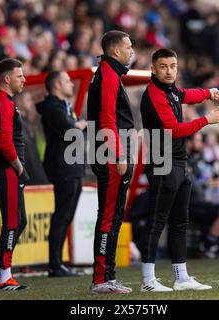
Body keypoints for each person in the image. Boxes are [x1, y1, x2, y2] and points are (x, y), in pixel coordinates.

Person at [140, 48, 219, 292]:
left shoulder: (172, 91)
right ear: (153, 69)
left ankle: (181, 277)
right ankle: (148, 281)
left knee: (180, 222)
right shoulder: (154, 94)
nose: (169, 71)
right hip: (162, 163)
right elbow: (174, 129)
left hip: (179, 162)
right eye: (163, 66)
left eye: (173, 66)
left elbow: (187, 94)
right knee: (157, 221)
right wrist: (206, 121)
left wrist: (208, 92)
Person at [87, 30, 134, 294]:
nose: (131, 51)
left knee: (114, 216)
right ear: (116, 51)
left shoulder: (109, 73)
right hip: (111, 157)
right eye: (128, 47)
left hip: (112, 154)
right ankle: (102, 279)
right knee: (108, 217)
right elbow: (107, 119)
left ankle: (107, 276)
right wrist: (118, 155)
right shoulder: (106, 75)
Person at [36, 71, 87, 277]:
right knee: (62, 215)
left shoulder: (64, 107)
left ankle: (58, 263)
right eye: (67, 81)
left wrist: (78, 125)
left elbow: (75, 127)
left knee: (67, 216)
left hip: (73, 166)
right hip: (62, 166)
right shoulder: (52, 108)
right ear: (57, 85)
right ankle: (54, 264)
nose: (72, 85)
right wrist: (78, 126)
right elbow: (70, 130)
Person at [0, 58, 29, 290]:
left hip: (4, 168)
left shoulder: (1, 102)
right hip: (6, 169)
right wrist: (19, 167)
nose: (24, 79)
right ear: (7, 78)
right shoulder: (2, 102)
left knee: (19, 221)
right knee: (13, 222)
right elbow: (3, 140)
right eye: (20, 76)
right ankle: (5, 277)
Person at [187, 133, 219, 259]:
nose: (201, 144)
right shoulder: (184, 160)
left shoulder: (196, 159)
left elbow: (203, 180)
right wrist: (205, 182)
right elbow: (193, 184)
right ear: (188, 143)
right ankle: (208, 245)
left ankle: (208, 245)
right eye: (197, 141)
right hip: (191, 205)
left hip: (199, 201)